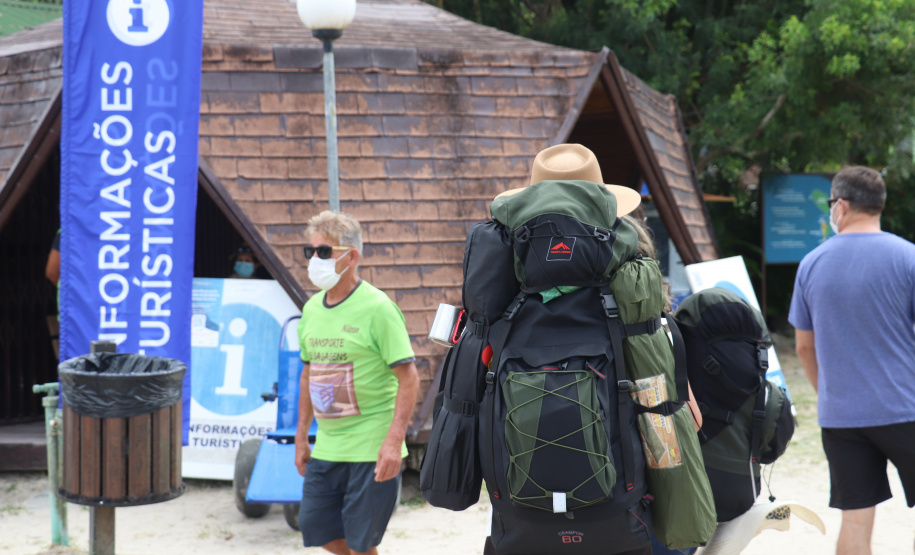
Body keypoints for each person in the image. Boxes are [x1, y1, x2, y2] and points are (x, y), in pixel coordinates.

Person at [788, 166, 915, 555]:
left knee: (856, 519)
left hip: (842, 416)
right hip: (905, 407)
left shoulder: (812, 263)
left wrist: (829, 392)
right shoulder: (908, 257)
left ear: (840, 205)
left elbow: (804, 348)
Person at [294, 210, 420, 555]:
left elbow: (409, 379)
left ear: (350, 257)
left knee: (362, 542)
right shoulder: (311, 310)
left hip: (371, 447)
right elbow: (308, 374)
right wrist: (301, 436)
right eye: (310, 252)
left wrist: (394, 442)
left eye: (323, 252)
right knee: (317, 529)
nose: (314, 260)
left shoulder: (378, 308)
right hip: (328, 446)